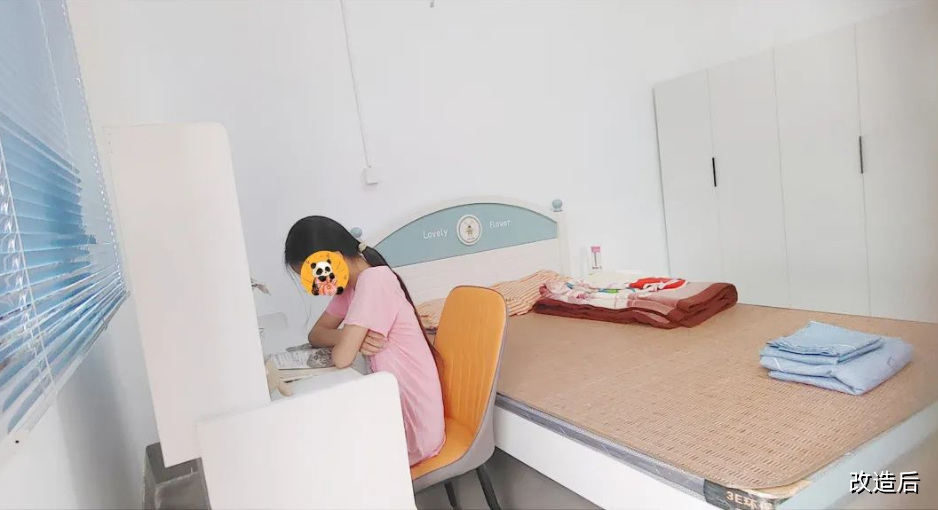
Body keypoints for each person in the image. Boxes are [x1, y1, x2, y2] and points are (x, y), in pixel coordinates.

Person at [284, 216, 445, 466]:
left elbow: (342, 358)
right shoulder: (350, 287)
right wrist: (351, 337)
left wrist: (351, 340)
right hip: (394, 407)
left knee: (324, 450)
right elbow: (315, 334)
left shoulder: (374, 280)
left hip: (416, 428)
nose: (315, 284)